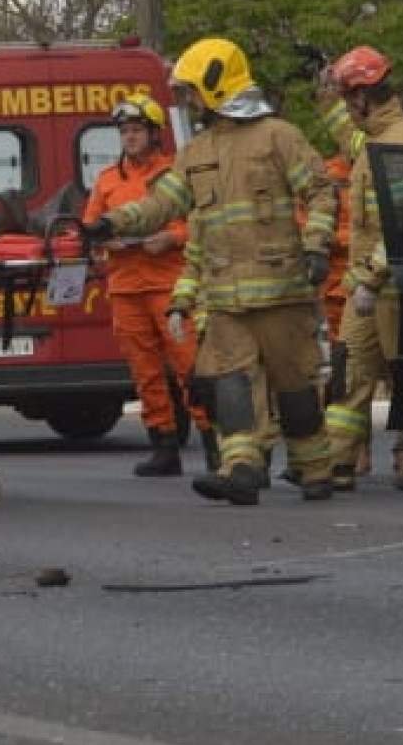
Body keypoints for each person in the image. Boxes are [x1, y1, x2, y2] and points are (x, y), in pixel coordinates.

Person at [88, 37, 342, 504]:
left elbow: (323, 193)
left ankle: (313, 467)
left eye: (190, 90)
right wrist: (110, 222)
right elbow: (162, 203)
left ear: (216, 85)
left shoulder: (278, 136)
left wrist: (316, 247)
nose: (186, 101)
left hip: (282, 289)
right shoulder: (196, 151)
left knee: (296, 385)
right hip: (224, 296)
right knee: (229, 383)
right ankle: (241, 467)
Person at [306, 46, 403, 490]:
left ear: (363, 98)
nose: (348, 111)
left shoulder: (402, 142)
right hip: (369, 287)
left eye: (347, 100)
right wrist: (324, 96)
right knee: (349, 372)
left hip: (395, 285)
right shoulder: (375, 138)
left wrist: (371, 280)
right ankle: (334, 464)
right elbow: (348, 140)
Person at [82, 95, 195, 476]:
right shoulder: (107, 180)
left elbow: (198, 224)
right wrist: (103, 242)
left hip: (168, 284)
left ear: (153, 133)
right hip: (126, 286)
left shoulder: (175, 175)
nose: (129, 138)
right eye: (125, 132)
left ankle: (214, 441)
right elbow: (90, 227)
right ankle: (163, 444)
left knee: (189, 366)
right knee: (145, 372)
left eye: (136, 131)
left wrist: (171, 239)